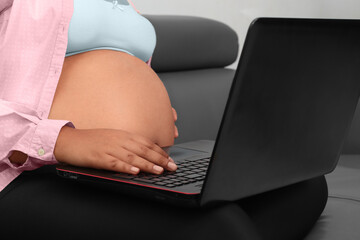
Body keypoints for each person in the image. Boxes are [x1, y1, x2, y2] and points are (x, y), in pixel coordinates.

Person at [0, 1, 328, 239]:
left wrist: (150, 109)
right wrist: (62, 139)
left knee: (302, 186)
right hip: (29, 174)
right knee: (218, 225)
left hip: (129, 169)